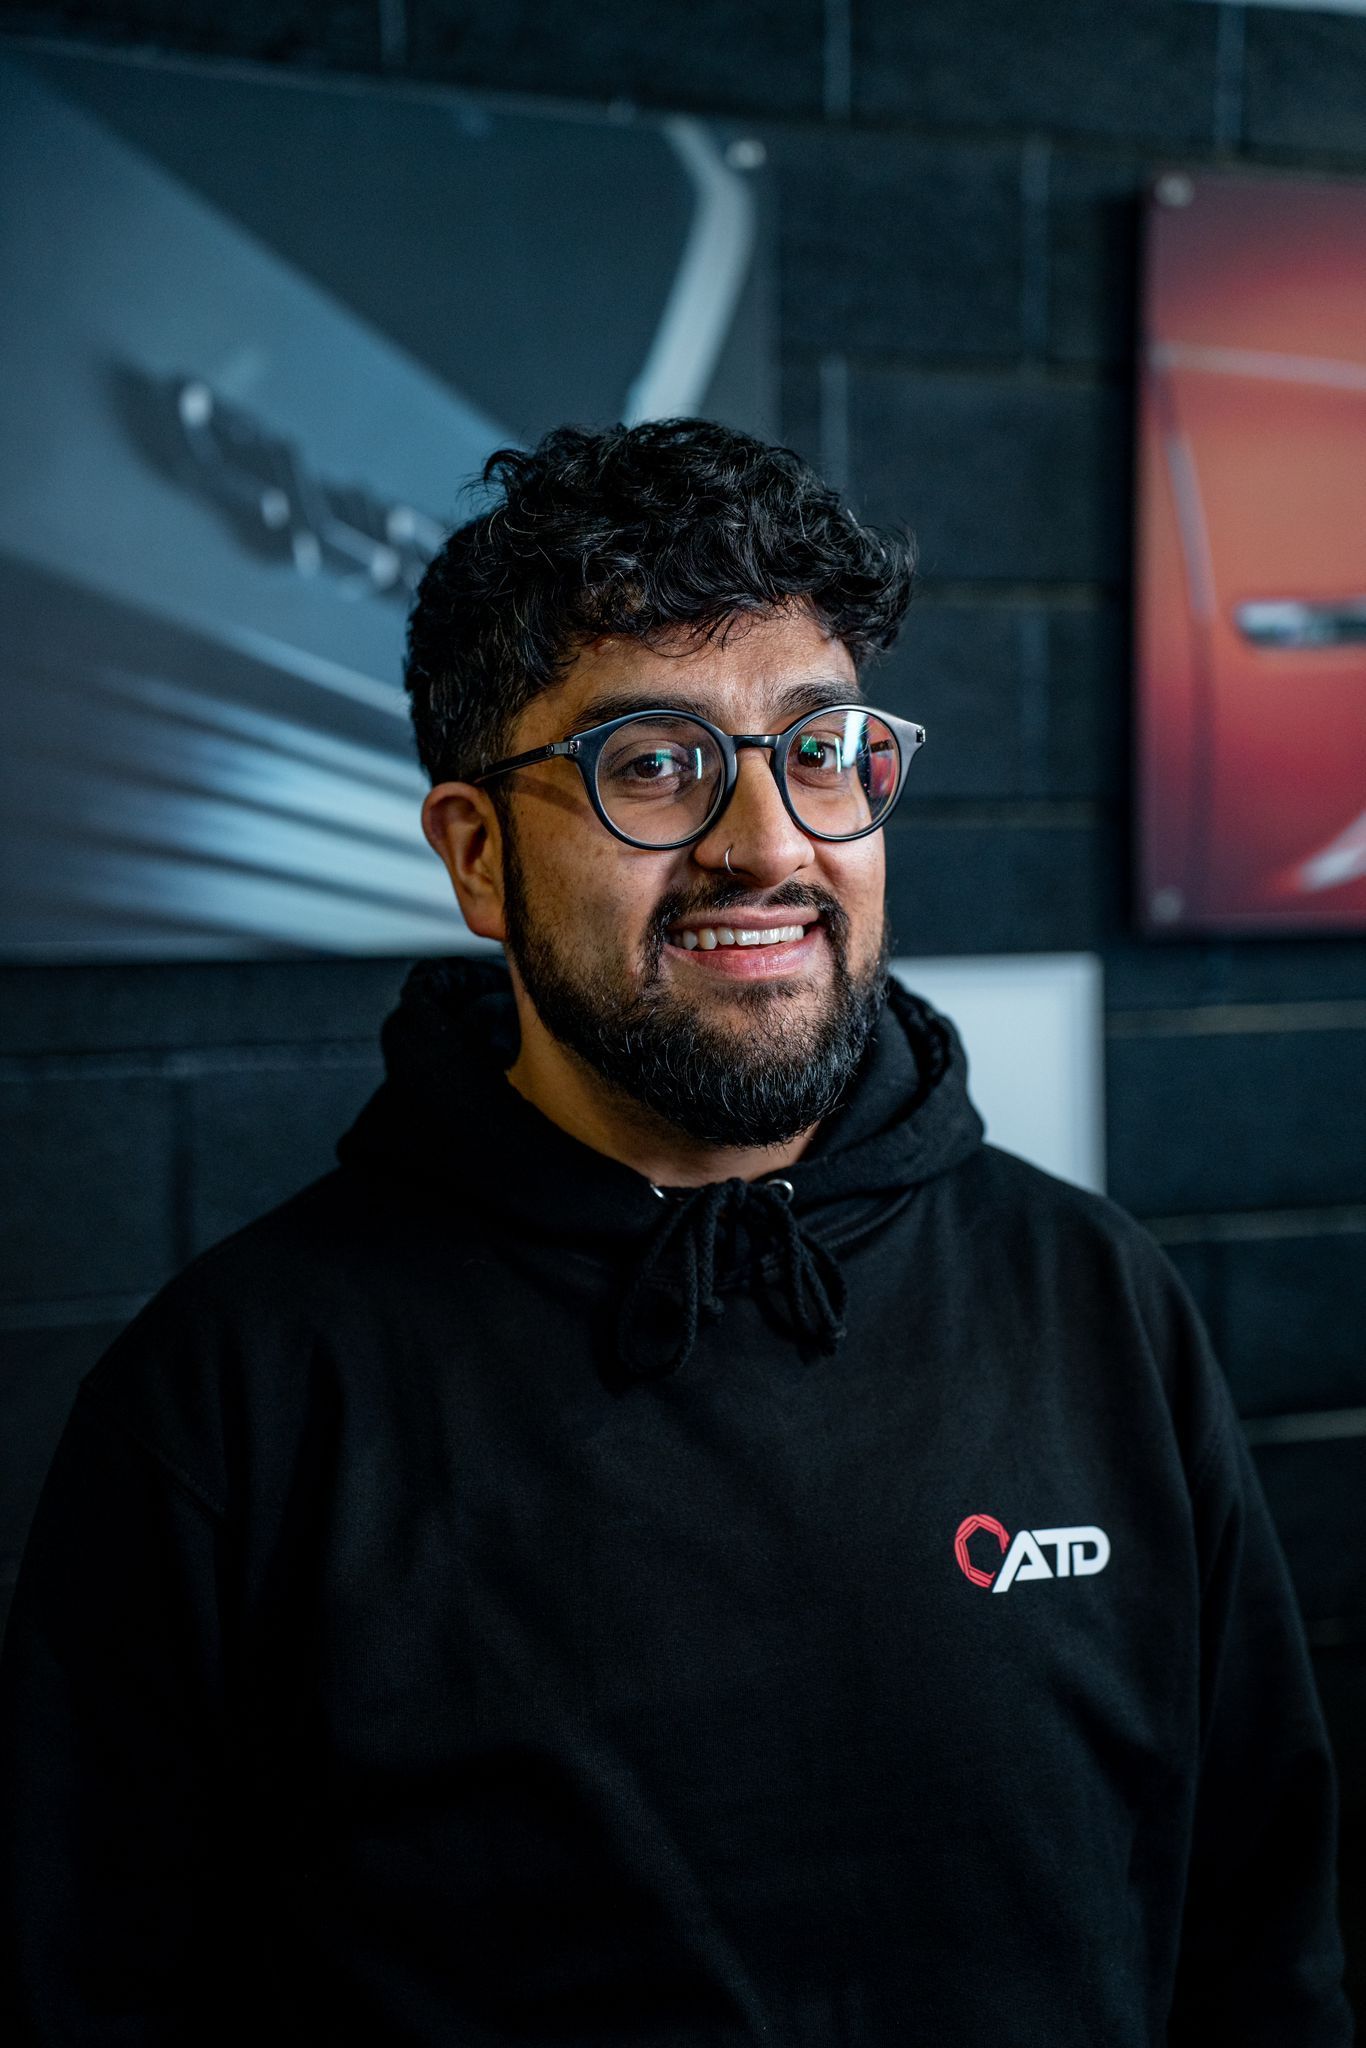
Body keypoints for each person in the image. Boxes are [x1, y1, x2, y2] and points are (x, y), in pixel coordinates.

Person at [0, 419, 1351, 2046]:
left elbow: (1259, 1947)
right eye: (653, 762)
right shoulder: (238, 1400)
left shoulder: (1091, 1299)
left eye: (823, 746)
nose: (768, 843)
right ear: (478, 856)